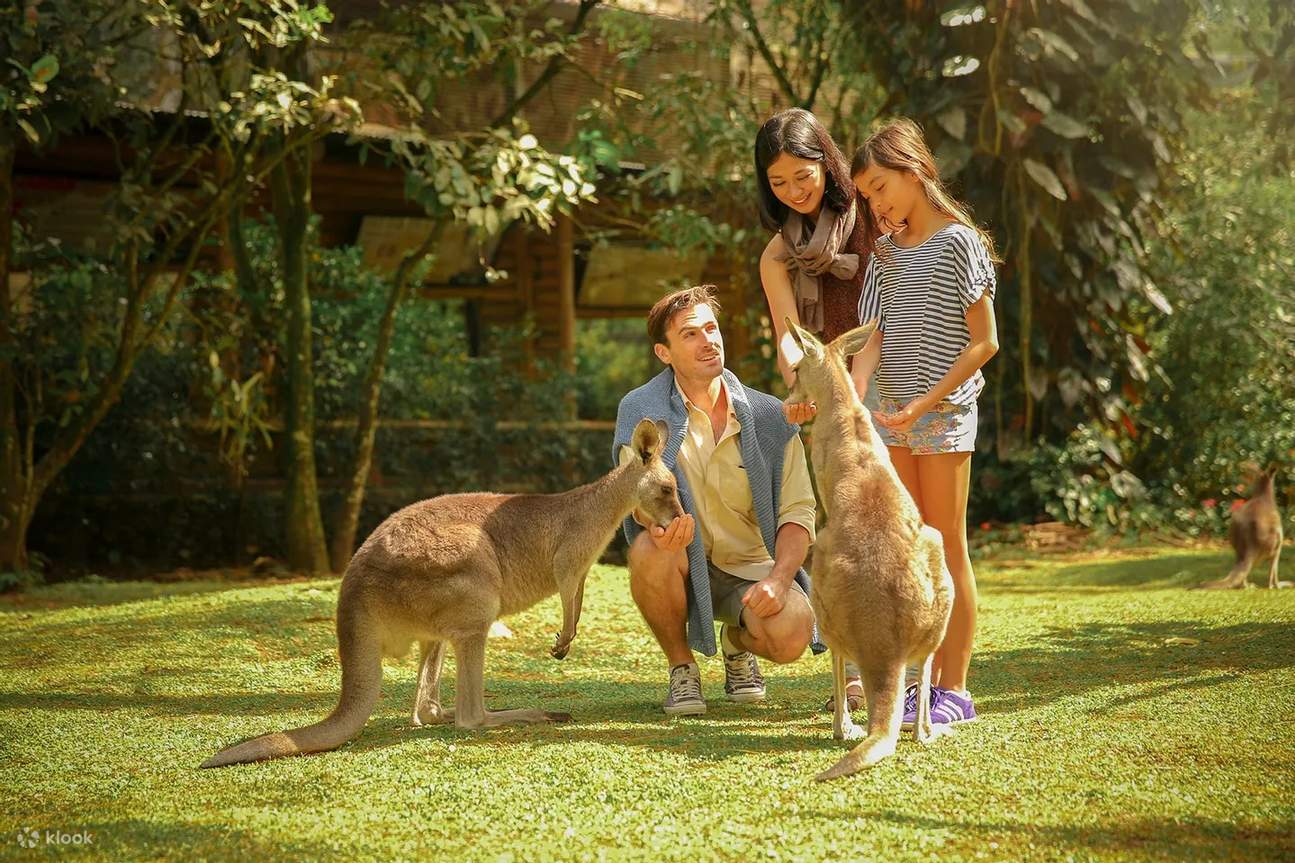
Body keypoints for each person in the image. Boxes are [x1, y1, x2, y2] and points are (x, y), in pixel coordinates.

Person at [849, 118, 1000, 726]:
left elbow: (984, 341)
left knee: (945, 545)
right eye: (867, 196)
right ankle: (921, 685)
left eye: (881, 188)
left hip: (943, 417)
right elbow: (871, 340)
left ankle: (955, 689)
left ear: (914, 172)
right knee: (910, 551)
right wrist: (853, 397)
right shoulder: (885, 255)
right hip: (893, 418)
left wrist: (926, 402)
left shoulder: (960, 242)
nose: (876, 205)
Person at [613, 285, 819, 716]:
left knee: (792, 635)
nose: (708, 341)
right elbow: (635, 491)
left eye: (711, 328)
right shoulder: (640, 406)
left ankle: (735, 642)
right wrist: (656, 525)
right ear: (664, 353)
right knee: (648, 550)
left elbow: (798, 512)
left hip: (751, 569)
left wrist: (780, 579)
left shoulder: (770, 416)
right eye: (690, 334)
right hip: (683, 562)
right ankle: (682, 668)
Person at [754, 107, 874, 713]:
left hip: (887, 384)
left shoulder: (872, 220)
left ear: (827, 163)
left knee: (890, 528)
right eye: (777, 183)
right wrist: (799, 387)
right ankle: (855, 674)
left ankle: (910, 671)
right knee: (845, 530)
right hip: (830, 398)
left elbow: (890, 313)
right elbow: (788, 336)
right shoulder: (778, 254)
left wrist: (857, 388)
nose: (793, 191)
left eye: (802, 176)